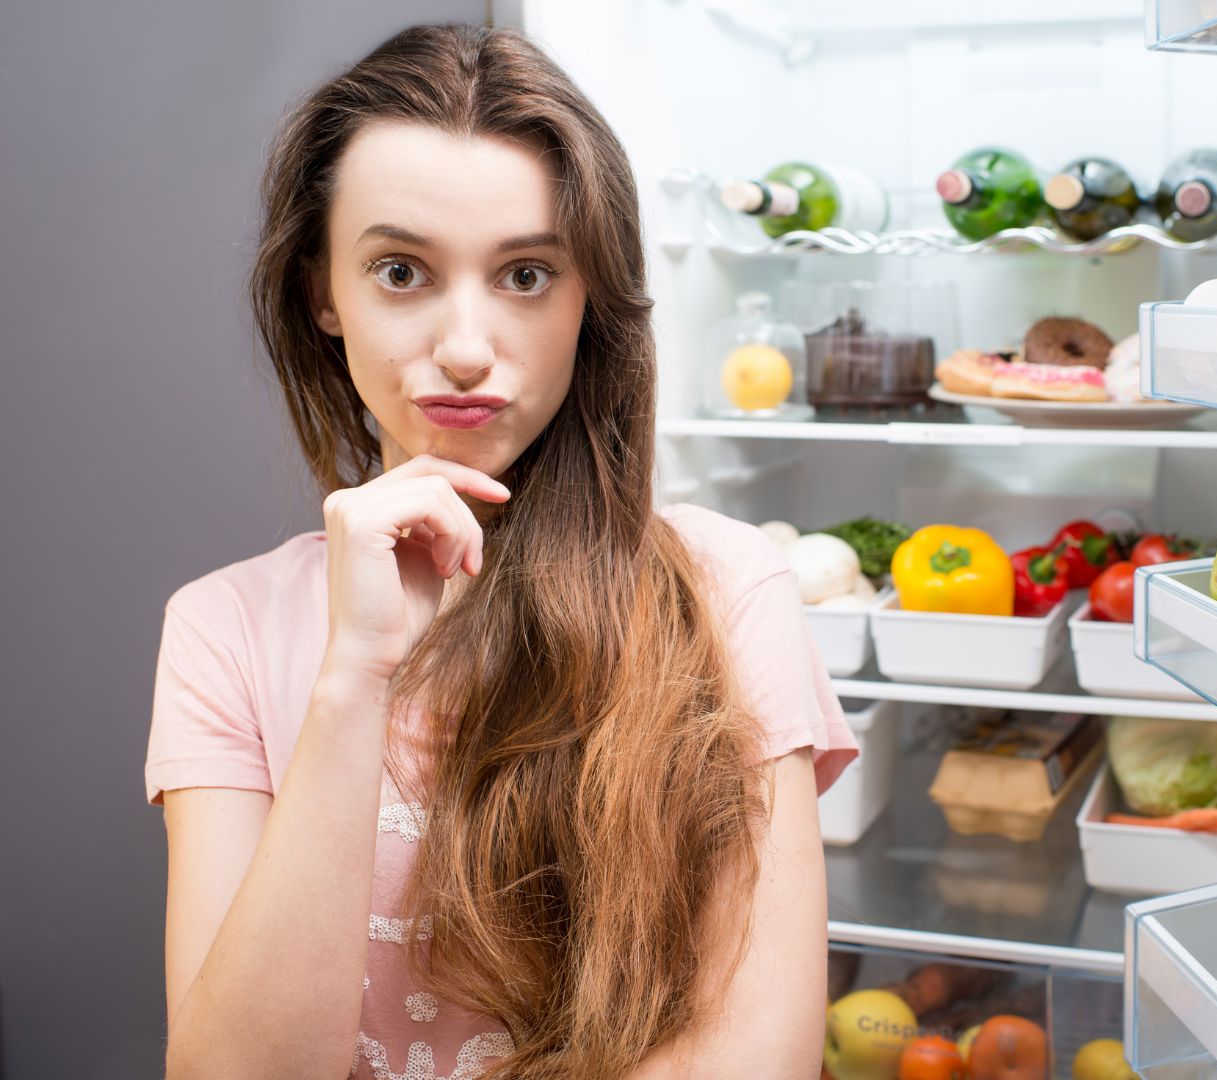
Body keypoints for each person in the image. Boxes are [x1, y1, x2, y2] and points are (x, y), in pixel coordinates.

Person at [144, 22, 858, 1080]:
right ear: (323, 294)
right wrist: (354, 677)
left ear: (588, 299)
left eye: (527, 275)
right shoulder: (224, 628)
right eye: (400, 271)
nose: (468, 349)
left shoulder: (725, 588)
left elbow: (757, 1060)